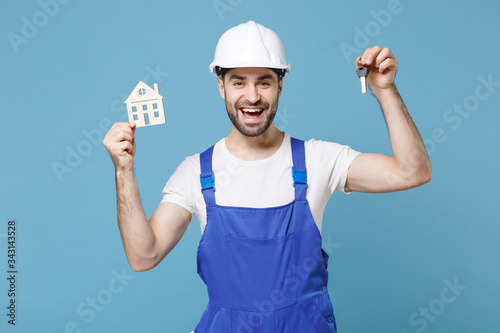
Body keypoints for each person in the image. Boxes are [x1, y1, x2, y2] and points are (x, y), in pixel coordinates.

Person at [103, 21, 431, 333]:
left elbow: (412, 171)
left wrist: (385, 90)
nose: (253, 96)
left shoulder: (319, 160)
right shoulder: (195, 173)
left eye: (263, 81)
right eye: (239, 82)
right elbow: (143, 257)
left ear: (280, 85)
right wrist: (124, 171)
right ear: (221, 86)